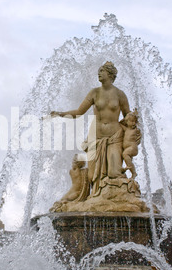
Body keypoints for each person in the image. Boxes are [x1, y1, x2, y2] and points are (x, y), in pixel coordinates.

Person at [51, 61, 131, 195]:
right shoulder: (94, 93)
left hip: (114, 137)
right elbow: (79, 112)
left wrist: (132, 131)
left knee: (114, 172)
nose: (99, 73)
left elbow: (128, 116)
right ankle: (93, 198)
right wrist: (60, 114)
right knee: (92, 176)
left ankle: (116, 197)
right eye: (99, 71)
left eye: (102, 71)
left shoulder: (120, 94)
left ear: (110, 74)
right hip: (96, 137)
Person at [120, 110, 141, 179]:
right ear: (126, 122)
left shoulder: (135, 130)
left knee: (125, 154)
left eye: (135, 122)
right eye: (131, 121)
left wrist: (136, 114)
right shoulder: (126, 129)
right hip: (128, 148)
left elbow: (138, 130)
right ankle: (129, 168)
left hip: (133, 148)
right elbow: (119, 124)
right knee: (127, 158)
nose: (133, 123)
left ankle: (134, 173)